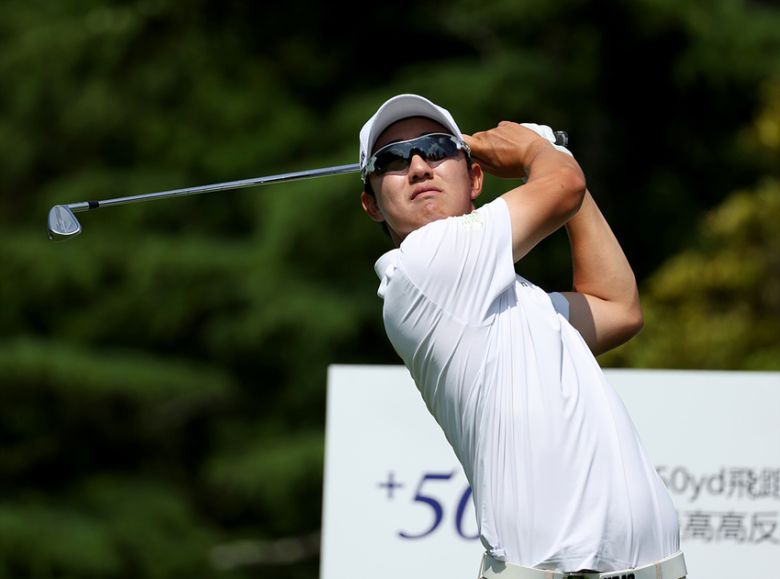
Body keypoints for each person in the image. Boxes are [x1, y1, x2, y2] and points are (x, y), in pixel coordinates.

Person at [358, 94, 687, 579]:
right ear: (371, 205)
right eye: (392, 159)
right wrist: (539, 152)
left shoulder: (513, 299)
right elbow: (563, 187)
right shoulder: (423, 266)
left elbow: (617, 307)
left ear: (475, 178)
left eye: (437, 148)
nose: (419, 166)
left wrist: (557, 158)